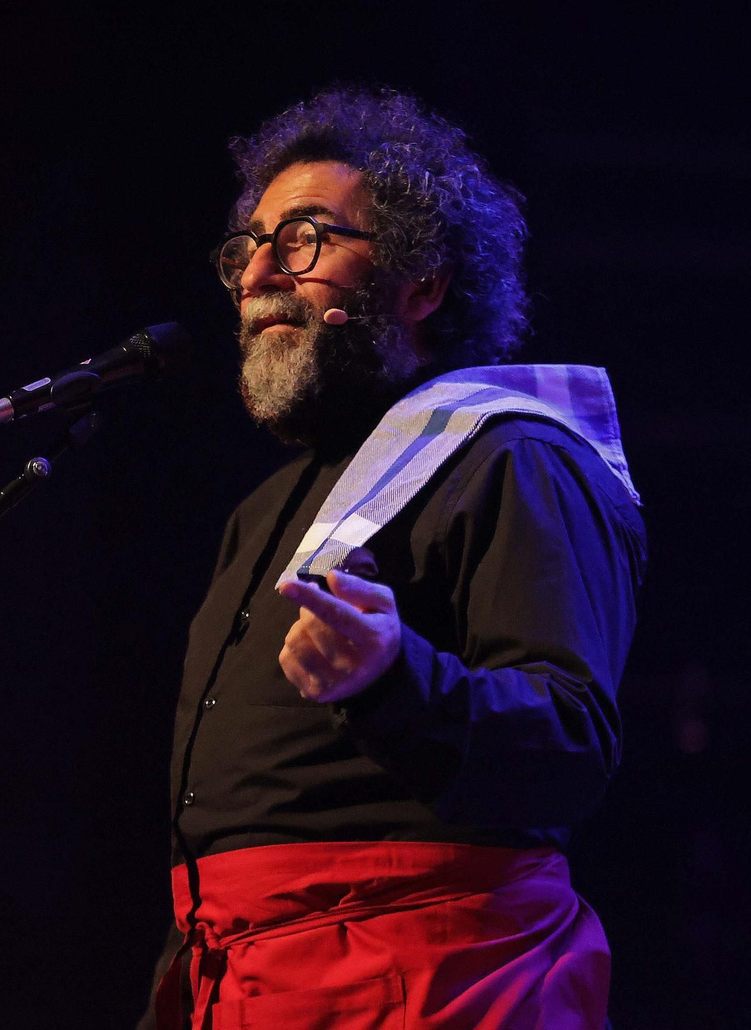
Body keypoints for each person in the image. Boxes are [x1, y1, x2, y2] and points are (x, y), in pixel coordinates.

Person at [140, 87, 645, 1029]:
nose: (260, 273)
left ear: (422, 285)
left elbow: (569, 747)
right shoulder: (262, 511)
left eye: (305, 239)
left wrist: (393, 680)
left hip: (428, 980)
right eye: (250, 247)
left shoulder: (514, 457)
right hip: (239, 985)